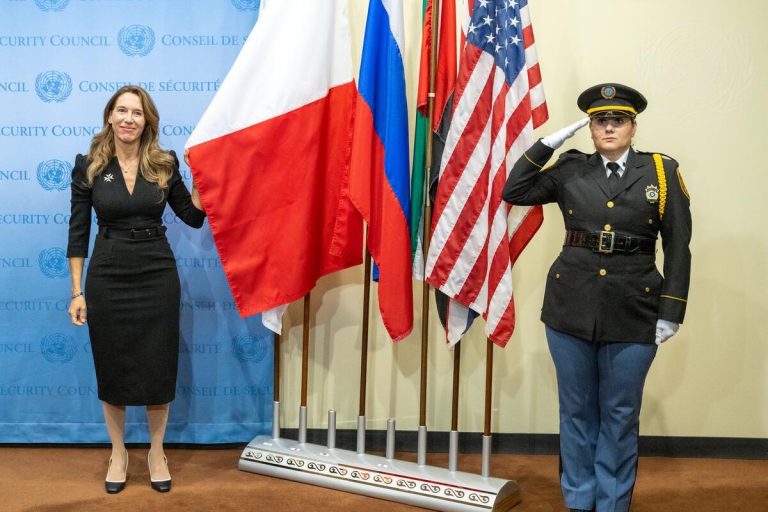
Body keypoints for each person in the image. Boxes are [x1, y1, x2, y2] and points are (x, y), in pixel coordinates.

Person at [503, 83, 691, 512]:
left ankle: (611, 503)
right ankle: (579, 500)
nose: (609, 127)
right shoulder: (570, 168)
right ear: (588, 128)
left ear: (632, 126)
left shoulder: (660, 171)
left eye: (617, 120)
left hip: (635, 306)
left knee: (620, 415)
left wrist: (671, 311)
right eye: (599, 120)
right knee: (576, 412)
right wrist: (547, 144)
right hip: (571, 305)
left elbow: (679, 246)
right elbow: (514, 192)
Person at [66, 85, 206, 494]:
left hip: (156, 271)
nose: (129, 119)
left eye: (137, 113)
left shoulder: (164, 163)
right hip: (107, 272)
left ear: (148, 121)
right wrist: (77, 291)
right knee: (114, 364)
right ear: (109, 115)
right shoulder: (89, 165)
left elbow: (193, 216)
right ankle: (118, 451)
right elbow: (77, 233)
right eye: (122, 110)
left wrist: (206, 176)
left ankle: (157, 450)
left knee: (156, 363)